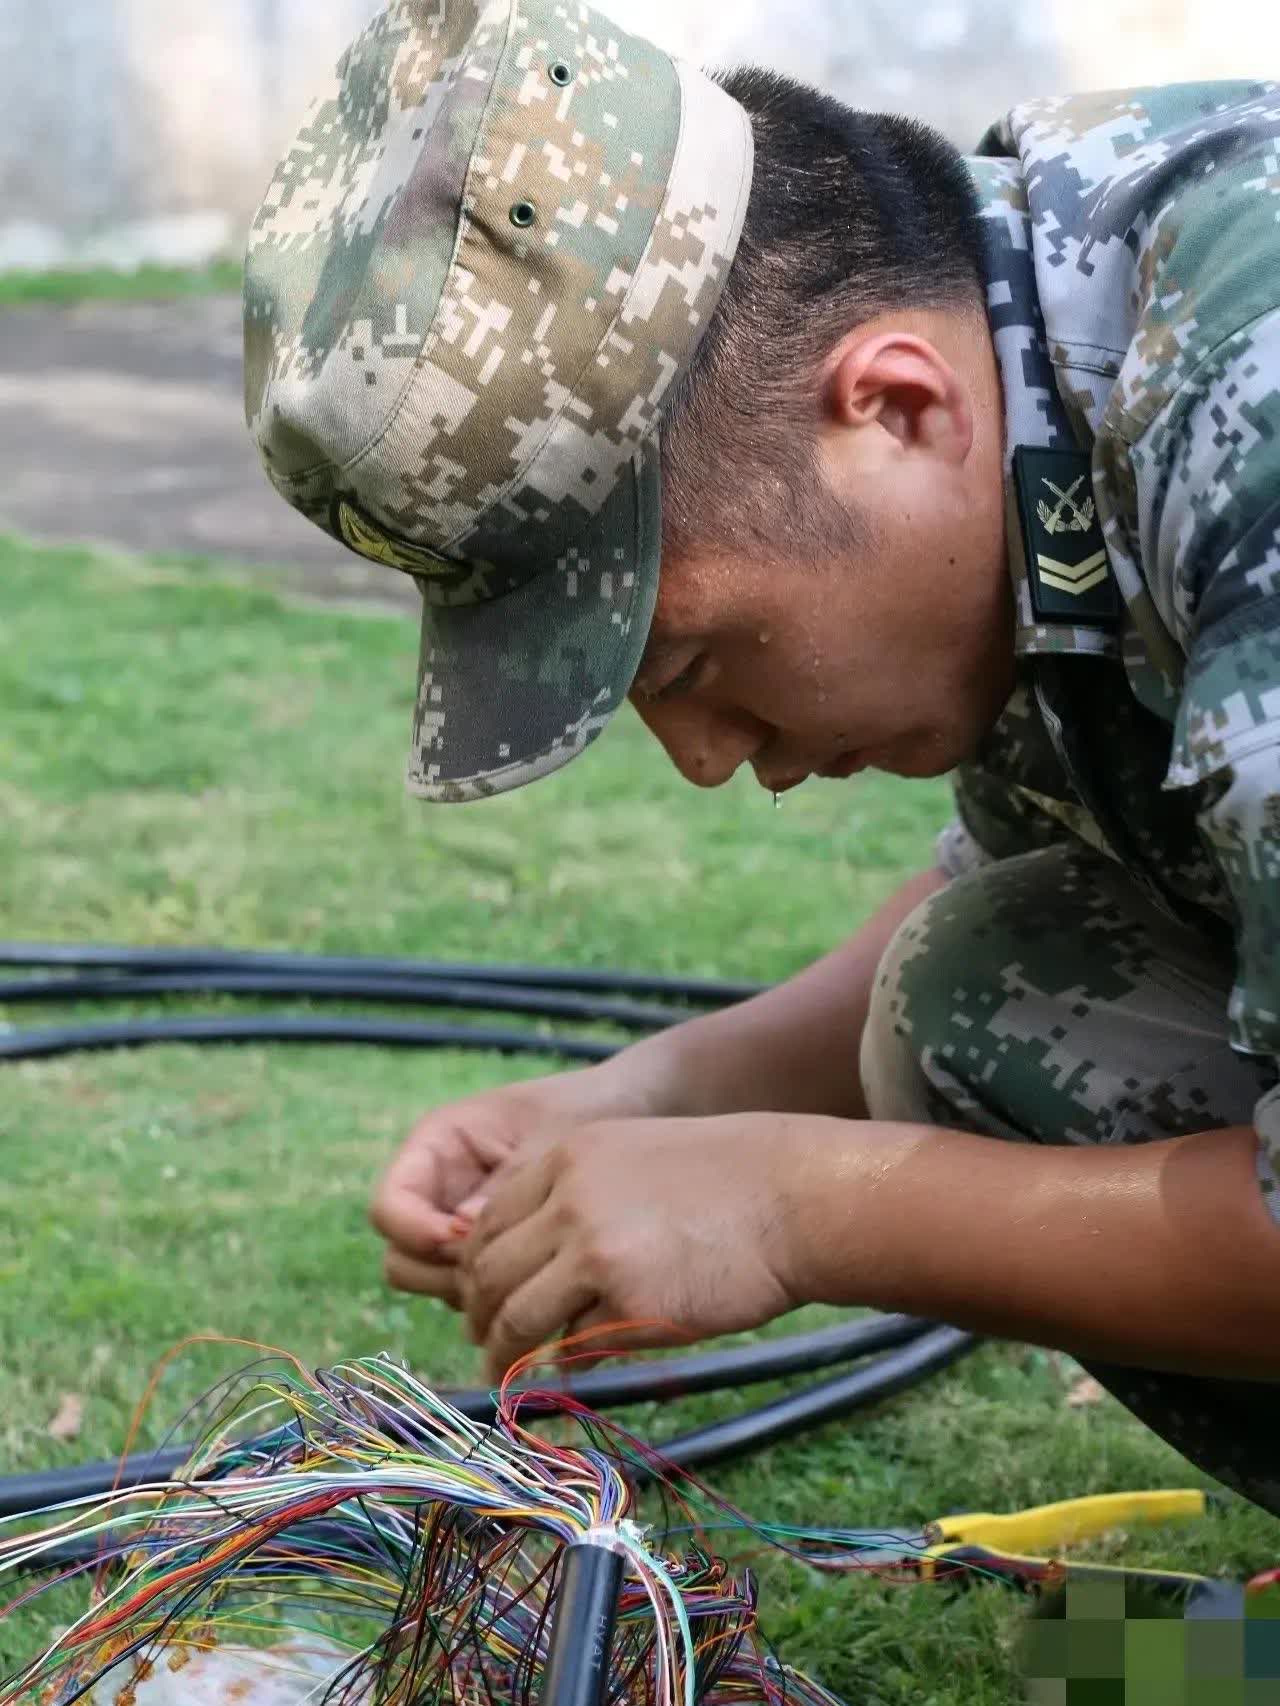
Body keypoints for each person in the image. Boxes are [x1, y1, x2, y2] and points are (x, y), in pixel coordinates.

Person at [245, 0, 1280, 1512]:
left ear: (891, 406)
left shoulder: (1244, 413)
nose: (708, 759)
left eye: (697, 661)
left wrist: (795, 1206)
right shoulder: (1025, 337)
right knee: (981, 984)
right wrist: (646, 1103)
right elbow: (1059, 870)